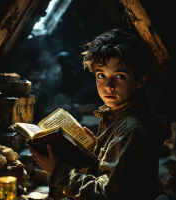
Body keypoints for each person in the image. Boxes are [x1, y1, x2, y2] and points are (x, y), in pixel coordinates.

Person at [28, 29, 159, 200]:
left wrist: (58, 171)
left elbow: (106, 194)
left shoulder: (131, 130)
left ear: (140, 80)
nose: (108, 86)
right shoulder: (117, 118)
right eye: (101, 75)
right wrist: (94, 153)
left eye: (120, 76)